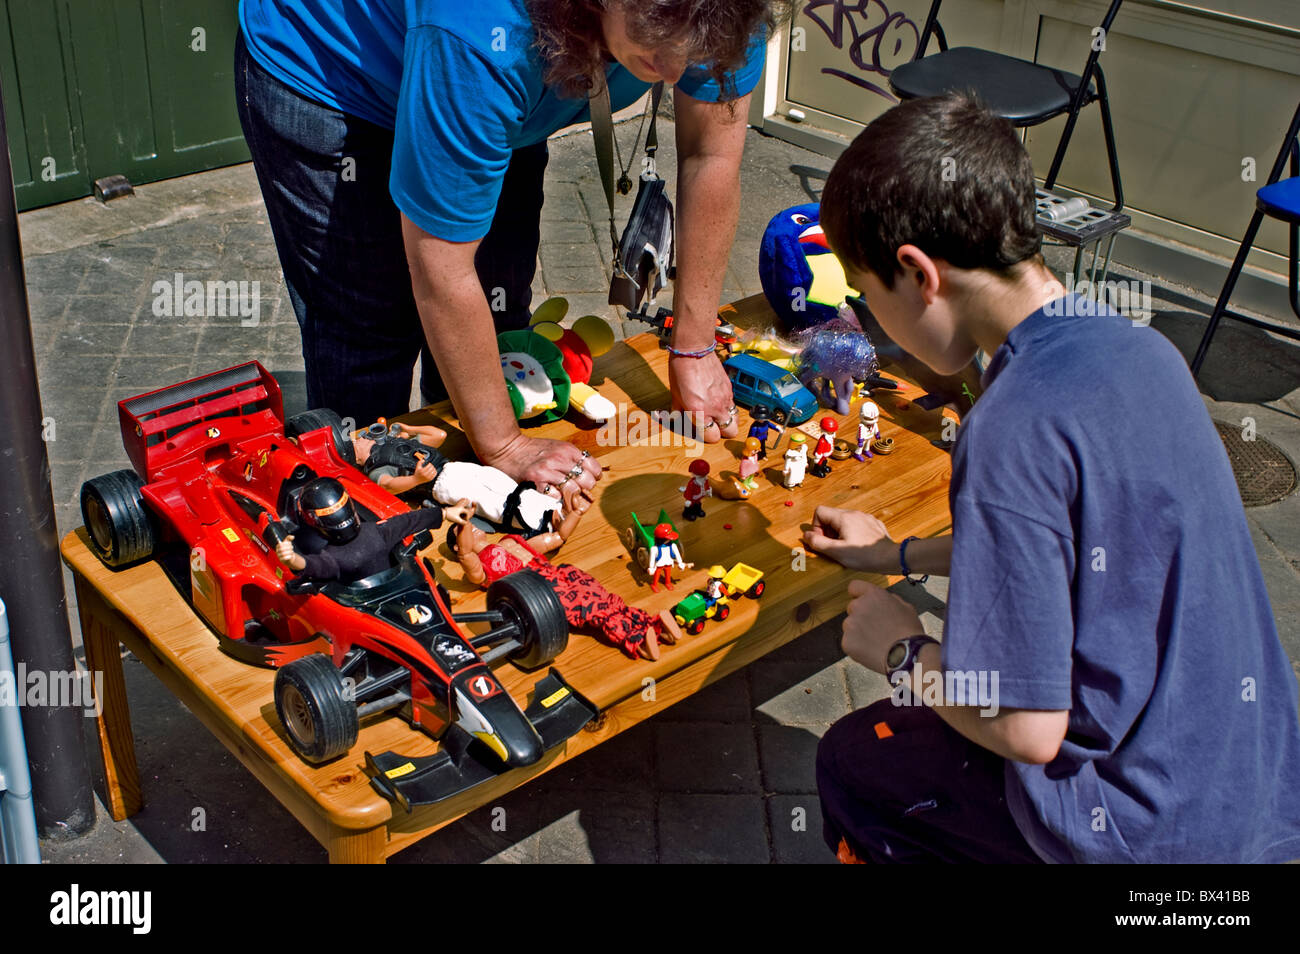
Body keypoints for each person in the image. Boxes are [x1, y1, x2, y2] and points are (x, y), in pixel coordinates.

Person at [805, 92, 1300, 863]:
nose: (872, 321)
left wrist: (904, 652)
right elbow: (1076, 549)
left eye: (867, 296)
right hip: (1252, 799)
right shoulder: (1141, 353)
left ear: (916, 273)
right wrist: (894, 554)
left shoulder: (1011, 427)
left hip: (1140, 839)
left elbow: (1026, 729)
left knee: (853, 760)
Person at [236, 0, 785, 494]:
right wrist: (503, 446)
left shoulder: (725, 12)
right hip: (335, 77)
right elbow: (441, 266)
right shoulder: (482, 30)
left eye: (693, 53)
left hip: (507, 77)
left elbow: (711, 157)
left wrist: (694, 346)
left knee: (500, 329)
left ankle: (469, 488)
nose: (673, 73)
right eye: (657, 45)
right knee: (370, 330)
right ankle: (357, 527)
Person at [449, 519, 682, 661]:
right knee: (591, 609)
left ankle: (645, 629)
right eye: (464, 527)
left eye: (470, 523)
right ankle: (644, 630)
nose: (471, 526)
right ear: (458, 544)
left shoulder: (509, 541)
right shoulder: (478, 563)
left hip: (556, 573)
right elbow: (472, 566)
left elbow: (554, 539)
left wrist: (576, 512)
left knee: (601, 601)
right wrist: (463, 548)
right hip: (541, 590)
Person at [275, 477, 472, 584]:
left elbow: (310, 565)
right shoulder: (379, 532)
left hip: (391, 596)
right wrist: (445, 513)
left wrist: (291, 559)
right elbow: (409, 521)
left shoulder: (332, 558)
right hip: (370, 607)